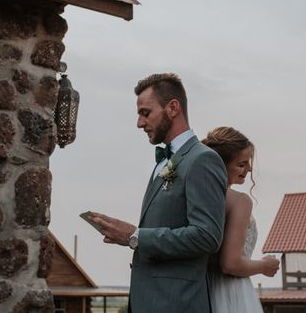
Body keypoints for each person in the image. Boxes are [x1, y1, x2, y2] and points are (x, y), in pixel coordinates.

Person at [90, 73, 228, 313]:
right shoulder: (163, 162)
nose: (139, 123)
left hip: (177, 303)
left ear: (172, 108)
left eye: (146, 113)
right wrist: (128, 235)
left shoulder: (202, 159)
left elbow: (207, 236)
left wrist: (135, 237)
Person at [203, 126, 280, 313]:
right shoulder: (239, 201)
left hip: (202, 290)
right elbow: (230, 264)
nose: (249, 169)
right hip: (231, 292)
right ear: (221, 164)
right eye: (242, 164)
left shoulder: (199, 197)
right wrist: (264, 266)